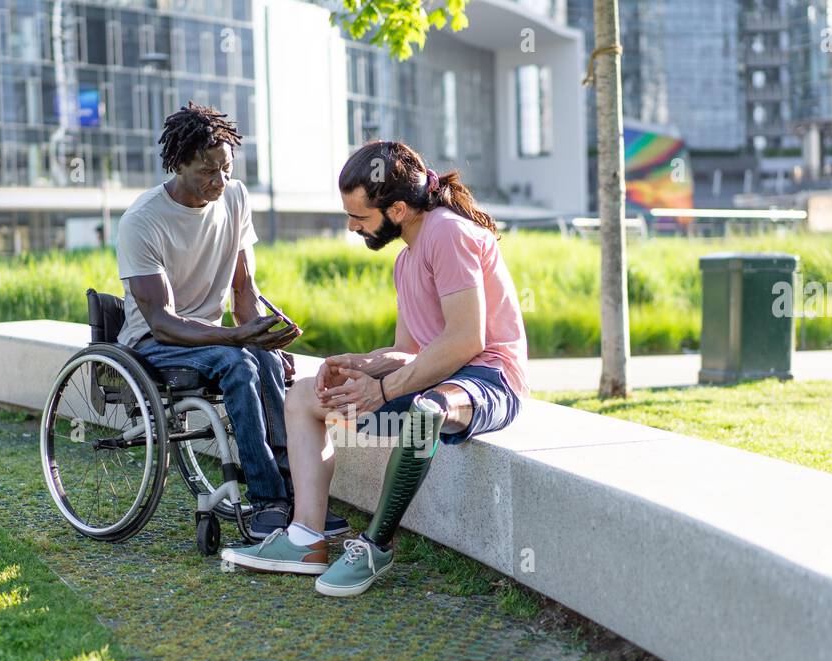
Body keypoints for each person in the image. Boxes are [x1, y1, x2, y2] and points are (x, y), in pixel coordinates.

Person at [221, 141, 528, 595]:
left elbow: (467, 341)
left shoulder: (447, 233)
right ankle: (306, 538)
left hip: (489, 380)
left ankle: (375, 546)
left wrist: (383, 393)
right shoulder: (406, 259)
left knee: (427, 412)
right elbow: (410, 351)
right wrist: (360, 365)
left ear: (399, 209)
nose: (351, 227)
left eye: (360, 218)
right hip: (438, 374)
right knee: (306, 395)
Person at [116, 102, 348, 539]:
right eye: (207, 171)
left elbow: (244, 289)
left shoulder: (236, 198)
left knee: (264, 362)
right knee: (237, 364)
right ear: (178, 162)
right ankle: (268, 500)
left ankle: (300, 497)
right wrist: (237, 338)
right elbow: (162, 321)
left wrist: (263, 336)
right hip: (154, 341)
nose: (219, 182)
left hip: (213, 338)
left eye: (225, 169)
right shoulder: (141, 221)